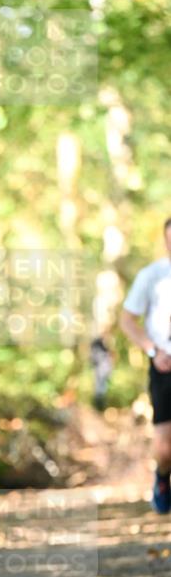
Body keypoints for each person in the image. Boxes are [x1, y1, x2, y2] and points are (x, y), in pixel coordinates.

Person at [120, 218, 171, 514]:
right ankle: (163, 477)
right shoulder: (152, 276)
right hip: (164, 366)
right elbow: (127, 320)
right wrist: (153, 351)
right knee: (165, 450)